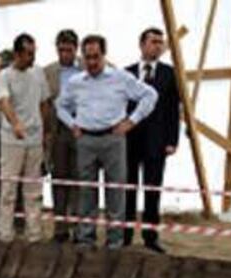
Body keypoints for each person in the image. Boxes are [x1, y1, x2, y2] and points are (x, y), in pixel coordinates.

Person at [56, 34, 158, 249]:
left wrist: (131, 122)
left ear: (104, 55)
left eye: (96, 57)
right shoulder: (76, 83)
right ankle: (86, 238)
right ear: (82, 57)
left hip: (113, 139)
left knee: (115, 192)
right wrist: (71, 124)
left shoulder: (121, 78)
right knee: (86, 192)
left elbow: (150, 96)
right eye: (87, 57)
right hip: (85, 140)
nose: (92, 62)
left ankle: (115, 241)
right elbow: (60, 105)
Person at [125, 27, 180, 254]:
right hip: (130, 141)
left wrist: (172, 140)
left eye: (160, 42)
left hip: (157, 143)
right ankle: (125, 234)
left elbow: (173, 110)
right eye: (153, 41)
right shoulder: (127, 73)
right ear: (142, 45)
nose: (157, 45)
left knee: (152, 190)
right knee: (127, 189)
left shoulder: (169, 73)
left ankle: (150, 236)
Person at [0, 33, 50, 243]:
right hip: (11, 141)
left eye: (34, 53)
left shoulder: (38, 73)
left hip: (34, 139)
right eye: (28, 54)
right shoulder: (4, 76)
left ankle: (34, 233)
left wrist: (43, 129)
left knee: (33, 189)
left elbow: (45, 102)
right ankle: (5, 233)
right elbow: (4, 102)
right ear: (17, 53)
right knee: (8, 189)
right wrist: (15, 123)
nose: (32, 57)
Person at [45, 29, 83, 243]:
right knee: (58, 179)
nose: (65, 54)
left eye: (68, 50)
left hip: (81, 128)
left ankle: (78, 228)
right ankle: (60, 228)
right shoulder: (49, 71)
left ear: (76, 49)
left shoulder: (87, 67)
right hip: (58, 130)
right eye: (61, 50)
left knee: (78, 179)